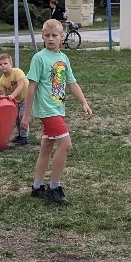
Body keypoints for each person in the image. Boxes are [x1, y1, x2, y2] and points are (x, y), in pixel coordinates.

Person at [19, 19, 93, 205]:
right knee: (66, 145)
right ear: (42, 37)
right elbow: (31, 87)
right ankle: (54, 187)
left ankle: (37, 187)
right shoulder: (40, 58)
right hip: (47, 110)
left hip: (57, 108)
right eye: (47, 36)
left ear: (62, 37)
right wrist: (27, 114)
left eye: (54, 36)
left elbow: (72, 82)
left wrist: (83, 102)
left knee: (46, 148)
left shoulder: (63, 58)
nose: (50, 39)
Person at [0, 52, 30, 146]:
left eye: (5, 63)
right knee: (16, 118)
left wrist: (12, 95)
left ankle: (24, 137)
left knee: (22, 116)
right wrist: (3, 98)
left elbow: (21, 85)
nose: (3, 66)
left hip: (27, 97)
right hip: (16, 100)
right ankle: (20, 135)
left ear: (11, 64)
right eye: (0, 64)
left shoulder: (17, 72)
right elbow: (3, 94)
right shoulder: (1, 80)